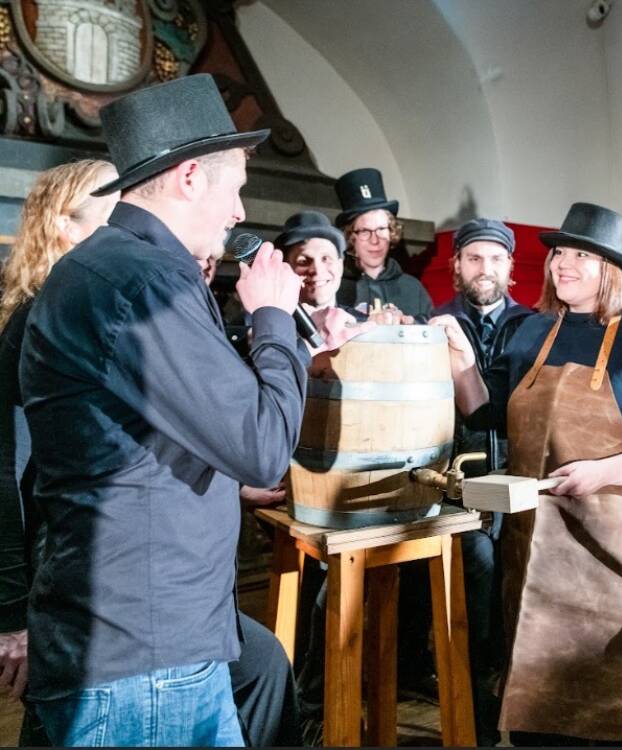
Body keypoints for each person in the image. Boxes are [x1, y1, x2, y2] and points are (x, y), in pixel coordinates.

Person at [18, 74, 364, 747]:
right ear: (188, 178)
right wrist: (272, 320)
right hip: (143, 655)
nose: (239, 210)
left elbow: (160, 433)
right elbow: (261, 444)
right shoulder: (137, 280)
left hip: (150, 637)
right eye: (234, 186)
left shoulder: (124, 267)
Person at [432, 202, 622, 745]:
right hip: (536, 549)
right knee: (541, 705)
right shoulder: (531, 333)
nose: (564, 264)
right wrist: (458, 356)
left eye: (583, 254)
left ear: (617, 269)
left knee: (619, 707)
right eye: (560, 252)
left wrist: (603, 472)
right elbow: (488, 414)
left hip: (615, 550)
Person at [0, 159, 119, 746]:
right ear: (64, 227)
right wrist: (13, 614)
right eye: (114, 218)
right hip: (56, 567)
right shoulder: (37, 321)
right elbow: (5, 470)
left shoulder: (85, 312)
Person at [430, 218, 533, 746]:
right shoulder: (434, 323)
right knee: (475, 587)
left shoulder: (534, 326)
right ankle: (472, 711)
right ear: (456, 266)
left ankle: (515, 700)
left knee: (518, 592)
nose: (485, 269)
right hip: (455, 484)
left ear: (511, 268)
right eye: (474, 259)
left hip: (520, 483)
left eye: (496, 259)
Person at [334, 167, 433, 319]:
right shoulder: (334, 287)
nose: (375, 240)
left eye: (381, 229)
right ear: (350, 237)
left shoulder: (413, 288)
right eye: (365, 231)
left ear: (392, 231)